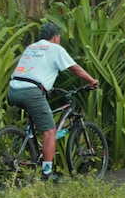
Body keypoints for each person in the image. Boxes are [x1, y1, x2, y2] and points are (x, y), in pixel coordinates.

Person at [8, 22, 99, 182]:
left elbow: (35, 70)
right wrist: (91, 81)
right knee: (49, 132)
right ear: (56, 37)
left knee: (35, 125)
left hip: (14, 89)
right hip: (32, 92)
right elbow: (75, 69)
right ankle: (47, 174)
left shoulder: (31, 47)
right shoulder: (55, 49)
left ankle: (29, 153)